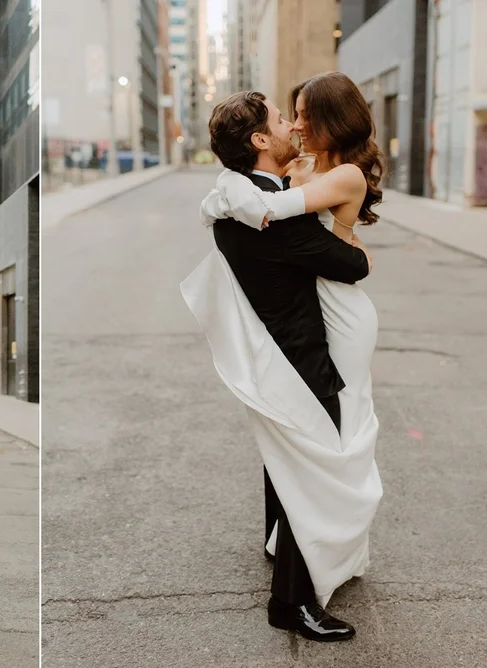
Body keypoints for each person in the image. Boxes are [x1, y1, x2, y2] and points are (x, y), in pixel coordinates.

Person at [180, 85, 383, 642]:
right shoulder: (268, 214)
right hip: (299, 356)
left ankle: (280, 545)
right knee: (317, 466)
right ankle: (291, 602)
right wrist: (353, 243)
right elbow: (349, 264)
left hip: (276, 353)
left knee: (288, 456)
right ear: (260, 139)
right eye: (280, 118)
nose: (293, 127)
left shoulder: (238, 195)